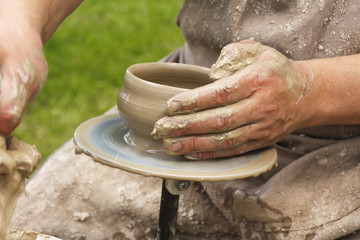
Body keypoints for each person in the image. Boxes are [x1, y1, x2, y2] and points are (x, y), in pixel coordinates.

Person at [2, 0, 360, 239]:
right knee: (23, 223)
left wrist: (309, 90)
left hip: (340, 160)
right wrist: (21, 19)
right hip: (165, 124)